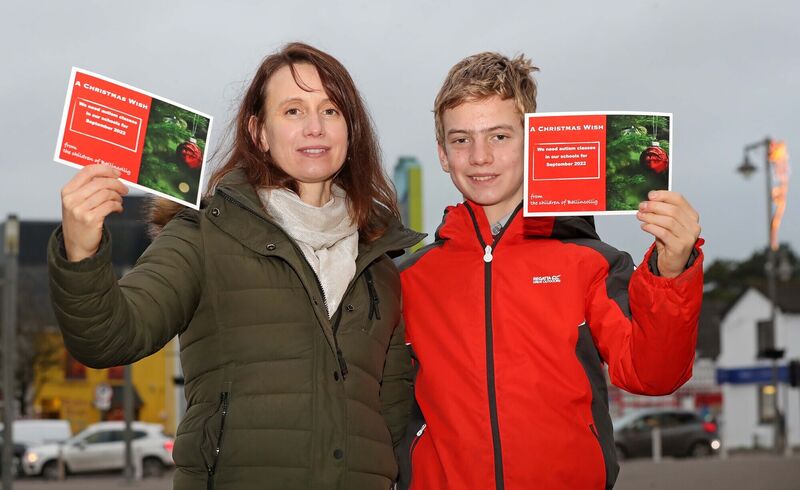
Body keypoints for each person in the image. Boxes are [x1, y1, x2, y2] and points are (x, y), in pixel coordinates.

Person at [48, 42, 423, 490]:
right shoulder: (203, 234)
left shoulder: (380, 263)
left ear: (350, 129)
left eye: (330, 111)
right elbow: (109, 337)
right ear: (259, 132)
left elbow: (391, 417)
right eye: (292, 111)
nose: (314, 128)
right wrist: (81, 253)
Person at [398, 52, 703, 489]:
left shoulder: (589, 261)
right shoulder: (410, 276)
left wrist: (671, 273)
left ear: (532, 141)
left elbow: (653, 375)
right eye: (461, 140)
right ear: (443, 154)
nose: (480, 156)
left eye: (499, 136)